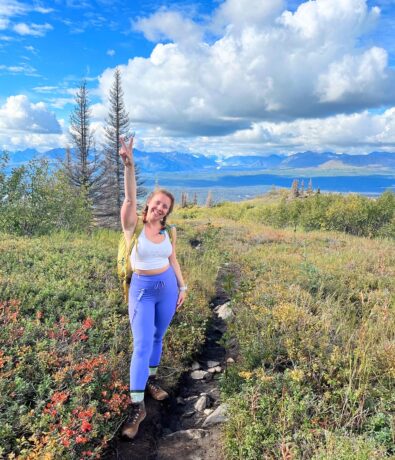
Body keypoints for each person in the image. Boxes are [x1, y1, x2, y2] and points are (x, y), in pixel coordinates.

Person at [118, 135, 187, 440]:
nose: (160, 208)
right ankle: (137, 407)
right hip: (142, 290)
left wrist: (182, 287)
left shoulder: (168, 231)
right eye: (157, 203)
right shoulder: (133, 225)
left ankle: (151, 381)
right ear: (150, 203)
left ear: (168, 212)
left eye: (165, 206)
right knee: (142, 343)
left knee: (158, 336)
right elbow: (129, 199)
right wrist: (129, 166)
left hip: (168, 288)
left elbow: (173, 258)